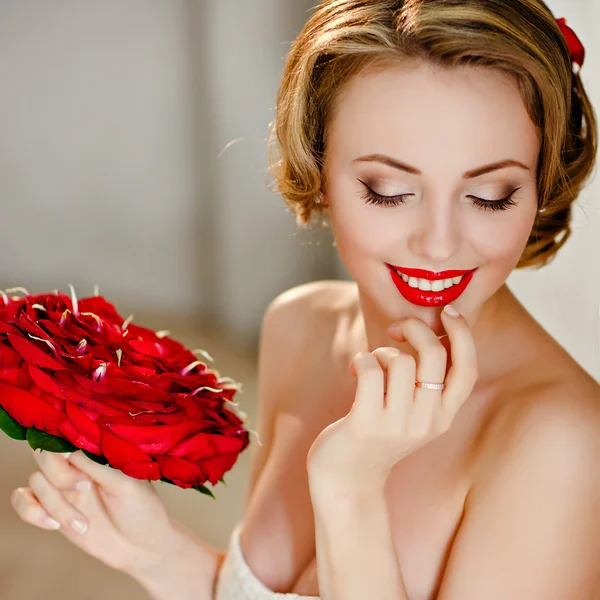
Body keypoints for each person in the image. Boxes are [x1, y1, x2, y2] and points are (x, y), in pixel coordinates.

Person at [10, 0, 600, 598]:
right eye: (389, 191)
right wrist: (157, 554)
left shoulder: (564, 444)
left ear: (541, 185)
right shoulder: (300, 325)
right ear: (317, 165)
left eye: (493, 195)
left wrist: (350, 490)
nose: (439, 243)